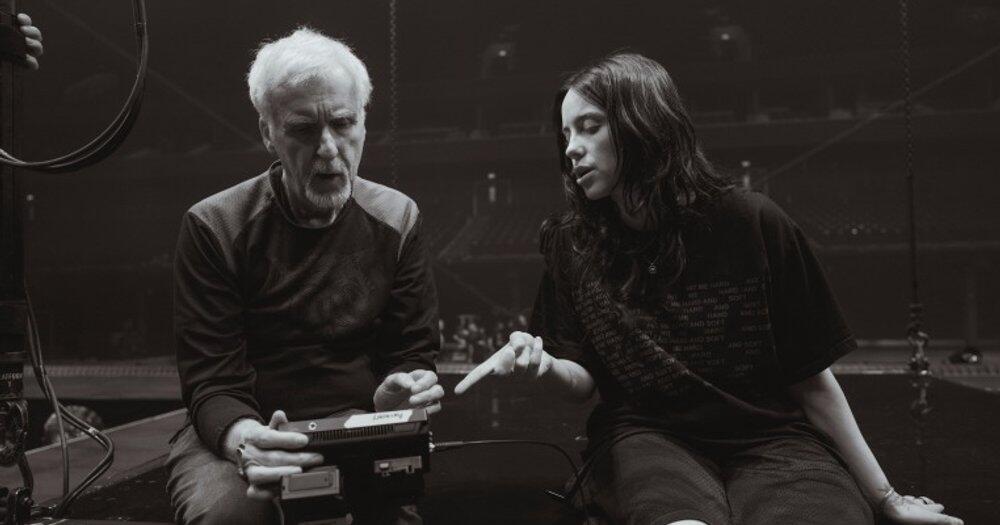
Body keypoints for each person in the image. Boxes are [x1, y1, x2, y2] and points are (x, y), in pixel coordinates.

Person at [455, 53, 962, 525]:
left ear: (643, 124)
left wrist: (886, 498)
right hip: (647, 437)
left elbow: (812, 381)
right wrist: (543, 365)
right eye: (566, 133)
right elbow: (582, 380)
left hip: (773, 439)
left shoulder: (753, 222)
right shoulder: (571, 244)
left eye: (590, 126)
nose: (571, 148)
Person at [167, 27, 442, 525]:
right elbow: (211, 381)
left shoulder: (399, 217)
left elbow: (410, 352)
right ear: (267, 132)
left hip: (359, 423)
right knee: (229, 517)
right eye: (303, 130)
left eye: (343, 123)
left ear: (363, 122)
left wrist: (396, 394)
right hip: (244, 428)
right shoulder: (213, 225)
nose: (328, 148)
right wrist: (246, 440)